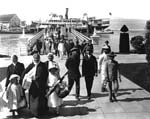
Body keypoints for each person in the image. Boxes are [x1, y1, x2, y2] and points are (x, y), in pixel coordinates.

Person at [21, 52, 48, 117]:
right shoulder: (31, 65)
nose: (36, 60)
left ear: (39, 58)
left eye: (37, 58)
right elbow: (24, 73)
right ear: (33, 59)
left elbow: (46, 74)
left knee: (41, 99)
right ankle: (33, 113)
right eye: (35, 59)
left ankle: (41, 112)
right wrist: (27, 78)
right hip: (33, 86)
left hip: (41, 86)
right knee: (33, 99)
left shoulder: (43, 65)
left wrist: (40, 79)